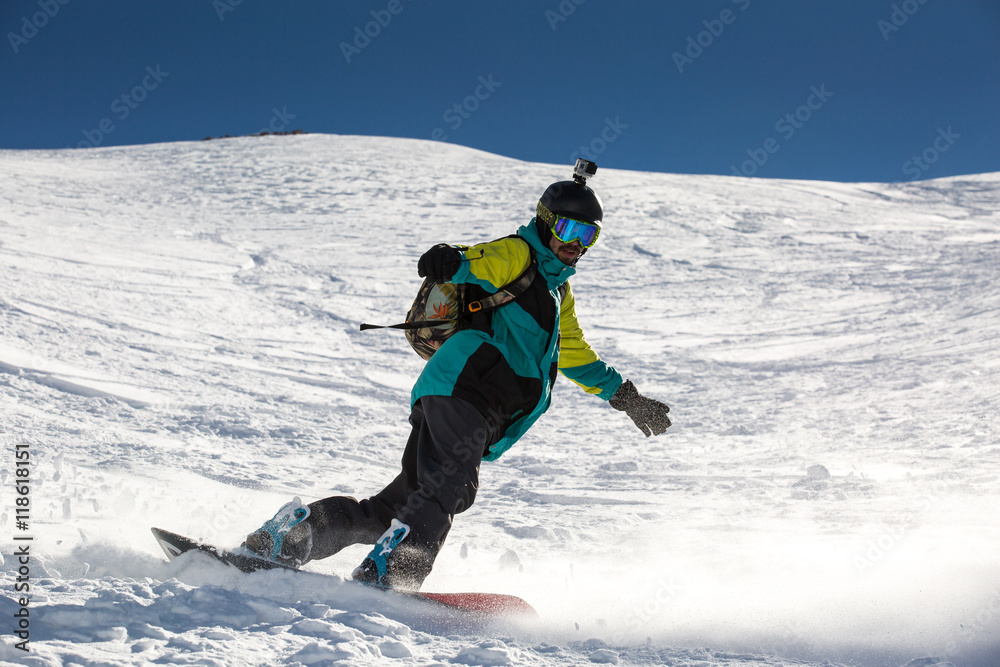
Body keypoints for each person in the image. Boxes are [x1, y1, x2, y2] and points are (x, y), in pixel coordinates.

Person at [243, 161, 672, 590]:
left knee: (398, 507)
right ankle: (394, 572)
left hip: (461, 399)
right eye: (568, 230)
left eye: (588, 236)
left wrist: (627, 397)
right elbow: (477, 261)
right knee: (449, 488)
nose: (577, 244)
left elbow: (574, 353)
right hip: (467, 395)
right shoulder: (519, 255)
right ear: (544, 224)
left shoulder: (558, 292)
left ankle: (291, 535)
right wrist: (450, 259)